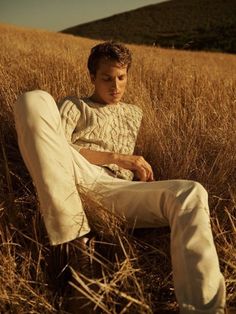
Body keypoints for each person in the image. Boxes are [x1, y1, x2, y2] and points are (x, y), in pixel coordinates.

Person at [13, 41, 226, 313]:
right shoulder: (74, 105)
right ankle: (78, 250)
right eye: (106, 78)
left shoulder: (133, 113)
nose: (116, 86)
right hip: (74, 175)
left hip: (115, 189)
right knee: (33, 99)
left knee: (191, 191)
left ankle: (203, 307)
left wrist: (138, 179)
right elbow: (53, 149)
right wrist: (117, 157)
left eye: (122, 77)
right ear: (92, 77)